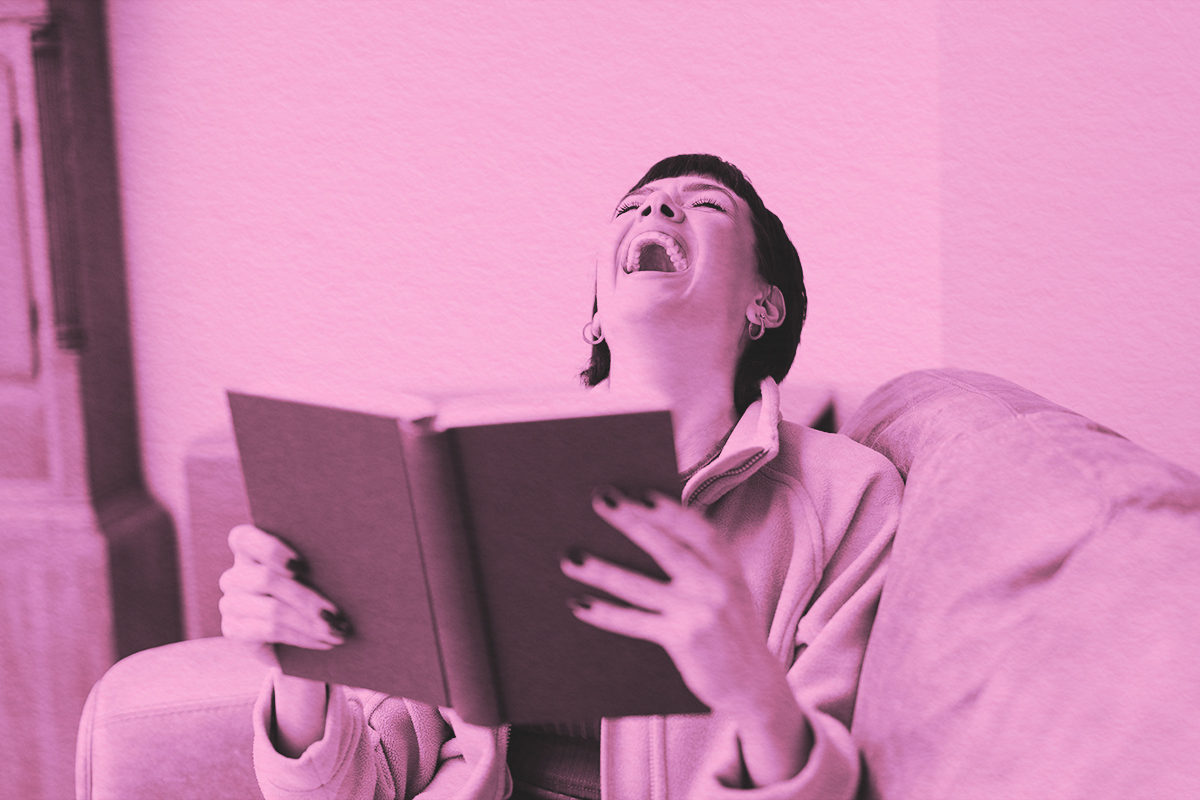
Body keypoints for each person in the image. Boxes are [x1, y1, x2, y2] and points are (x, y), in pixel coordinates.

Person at [219, 154, 903, 799]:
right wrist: (302, 667)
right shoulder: (484, 473)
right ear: (598, 317)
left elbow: (835, 777)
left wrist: (750, 686)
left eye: (705, 205)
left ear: (765, 305)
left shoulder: (846, 494)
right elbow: (359, 785)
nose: (657, 208)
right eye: (633, 206)